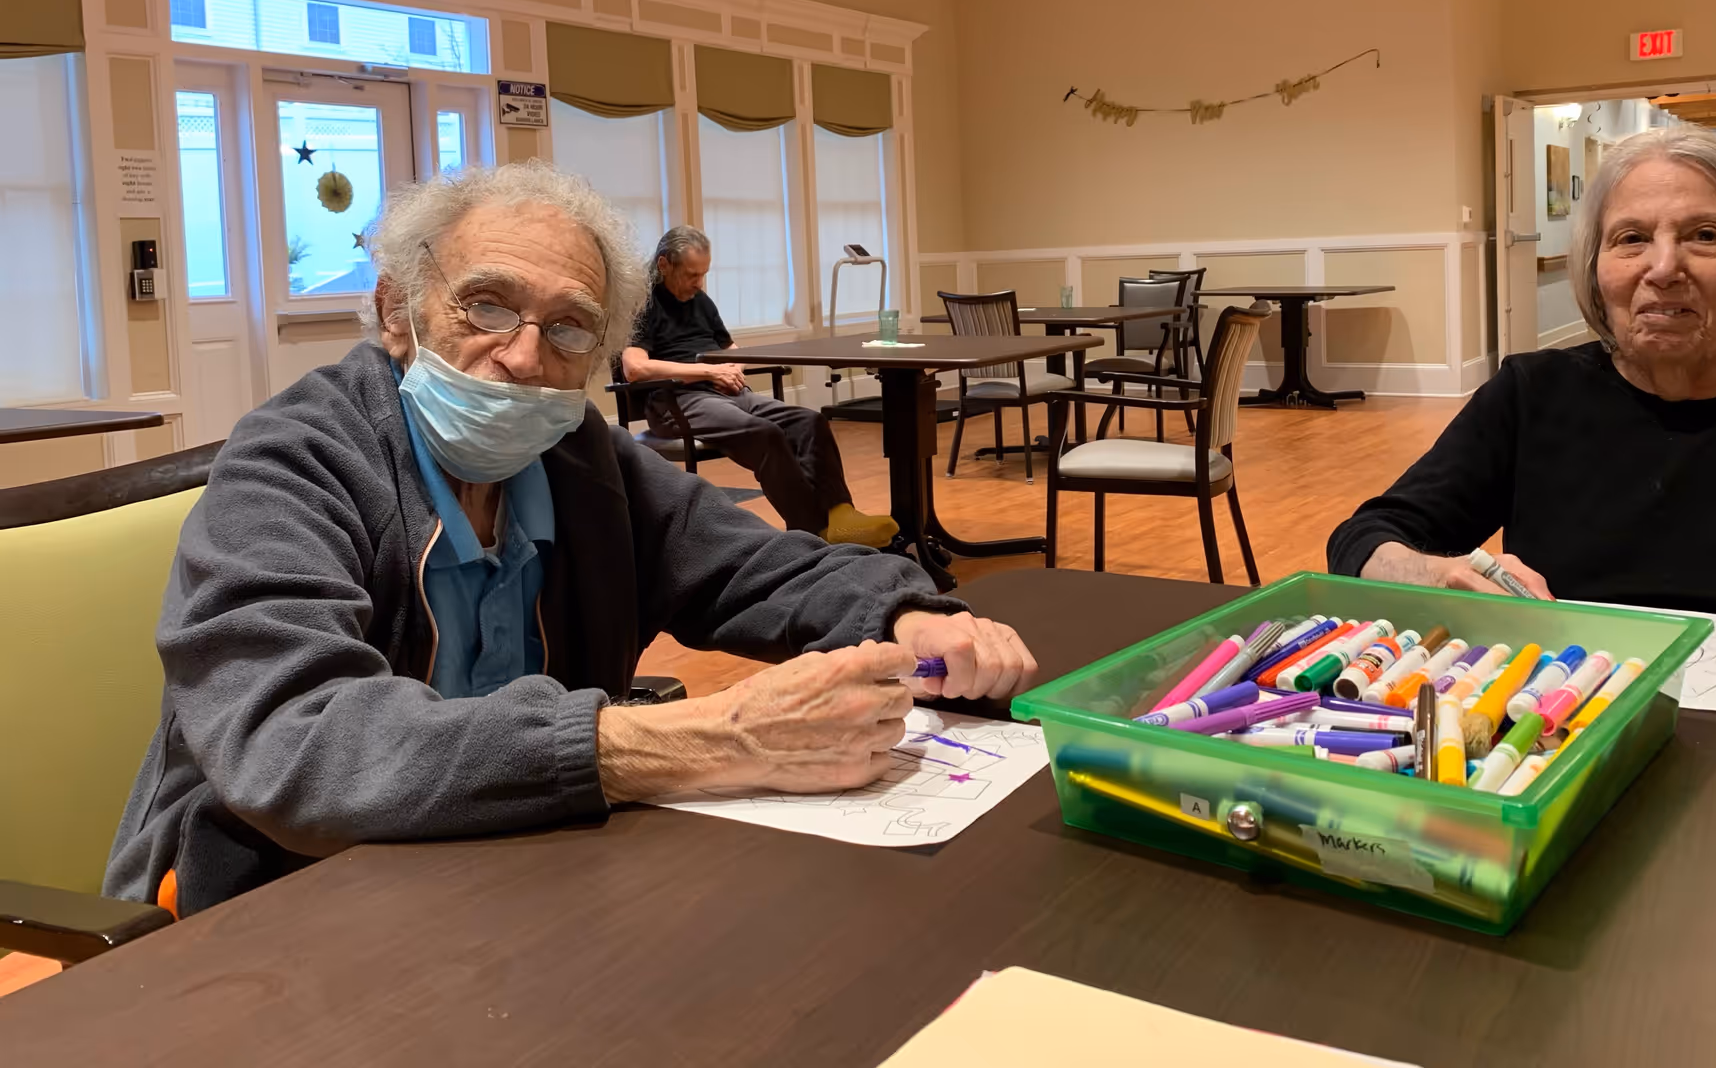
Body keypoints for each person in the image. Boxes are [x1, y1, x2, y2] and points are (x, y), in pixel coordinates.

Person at [105, 162, 1036, 917]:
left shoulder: (577, 454)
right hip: (276, 901)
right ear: (399, 311)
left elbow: (746, 561)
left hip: (518, 877)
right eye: (489, 306)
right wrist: (706, 738)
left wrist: (906, 614)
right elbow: (293, 745)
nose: (524, 356)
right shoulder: (295, 460)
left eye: (568, 328)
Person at [1325, 125, 1716, 663]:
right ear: (1597, 272)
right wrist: (1433, 574)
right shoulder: (1533, 395)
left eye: (1705, 235)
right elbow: (1363, 540)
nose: (1662, 267)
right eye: (1631, 239)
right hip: (1562, 726)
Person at [621, 226, 897, 547]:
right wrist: (707, 373)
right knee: (765, 434)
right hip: (677, 400)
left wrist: (732, 367)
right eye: (691, 274)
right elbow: (635, 367)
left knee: (809, 422)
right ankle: (813, 531)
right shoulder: (644, 305)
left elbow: (731, 348)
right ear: (664, 264)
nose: (698, 283)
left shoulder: (701, 301)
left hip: (726, 392)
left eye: (703, 274)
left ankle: (840, 515)